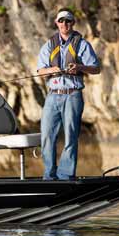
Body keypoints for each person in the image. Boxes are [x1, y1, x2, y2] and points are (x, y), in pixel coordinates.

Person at [35, 9, 101, 180]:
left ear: (73, 23)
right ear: (56, 23)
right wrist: (51, 69)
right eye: (61, 21)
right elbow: (40, 71)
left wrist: (79, 67)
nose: (65, 24)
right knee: (47, 135)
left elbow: (96, 68)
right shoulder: (49, 45)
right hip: (52, 95)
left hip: (73, 95)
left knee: (71, 137)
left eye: (68, 21)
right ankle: (49, 175)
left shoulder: (83, 45)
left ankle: (65, 175)